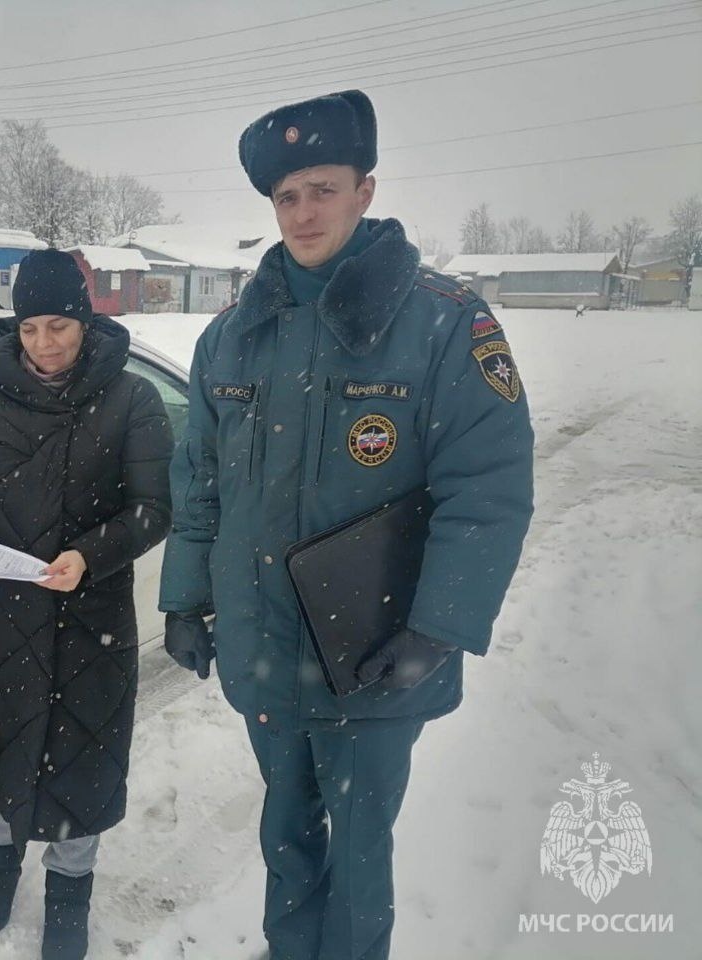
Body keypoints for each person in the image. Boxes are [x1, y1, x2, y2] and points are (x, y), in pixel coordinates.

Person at [158, 89, 534, 960]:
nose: (303, 212)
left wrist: (437, 629)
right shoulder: (232, 337)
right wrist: (185, 598)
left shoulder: (444, 323)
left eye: (322, 188)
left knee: (361, 860)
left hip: (372, 654)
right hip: (264, 651)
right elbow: (201, 480)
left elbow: (489, 487)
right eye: (286, 196)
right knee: (286, 843)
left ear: (365, 191)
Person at [0, 248, 173, 960]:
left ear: (84, 319)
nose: (44, 343)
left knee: (83, 755)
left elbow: (154, 510)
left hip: (89, 616)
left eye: (59, 327)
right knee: (1, 745)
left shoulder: (133, 399)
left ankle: (70, 891)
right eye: (31, 328)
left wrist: (89, 557)